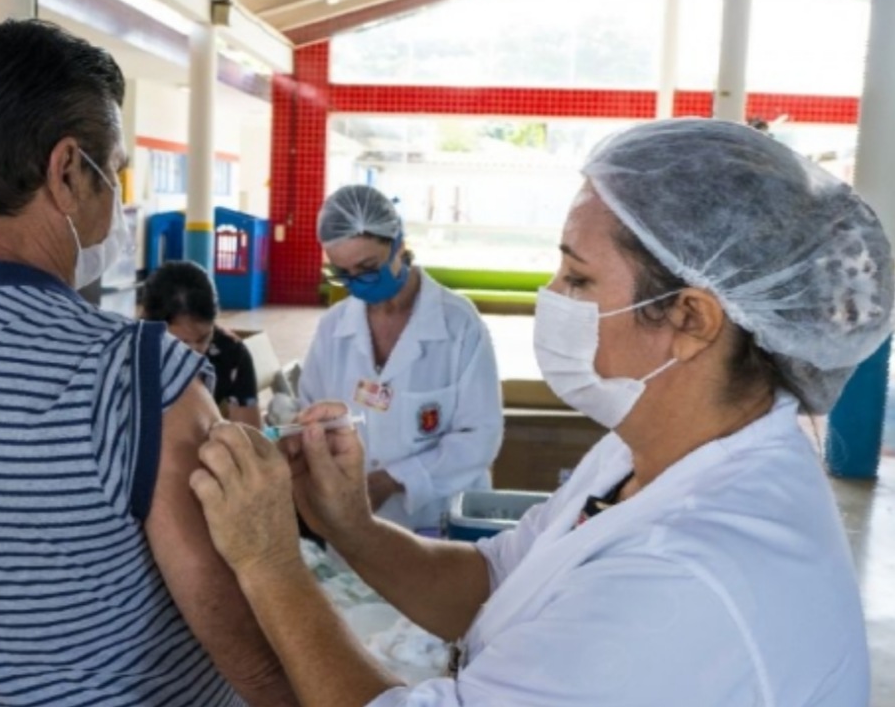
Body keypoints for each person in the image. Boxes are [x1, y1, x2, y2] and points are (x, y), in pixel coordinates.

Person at [188, 118, 892, 706]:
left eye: (578, 277)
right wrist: (351, 526)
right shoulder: (646, 453)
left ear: (691, 318)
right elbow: (495, 580)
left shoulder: (694, 570)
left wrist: (267, 557)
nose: (548, 295)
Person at [0, 20, 295, 707]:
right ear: (69, 170)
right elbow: (255, 662)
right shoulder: (137, 379)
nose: (117, 198)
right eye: (116, 169)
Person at [297, 184, 503, 532]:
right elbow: (310, 412)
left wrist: (394, 480)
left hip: (436, 523)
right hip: (355, 523)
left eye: (367, 267)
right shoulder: (334, 329)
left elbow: (480, 435)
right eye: (343, 274)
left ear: (398, 244)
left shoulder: (458, 324)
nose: (357, 283)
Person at [141, 260, 261, 429]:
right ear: (151, 328)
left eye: (203, 339)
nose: (195, 352)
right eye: (182, 343)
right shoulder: (130, 353)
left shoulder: (231, 353)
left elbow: (250, 434)